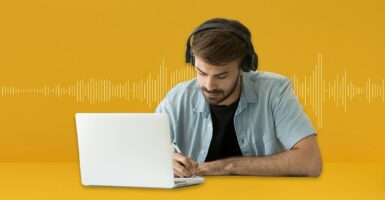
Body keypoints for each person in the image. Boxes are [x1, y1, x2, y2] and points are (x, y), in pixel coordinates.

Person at [155, 18, 322, 177]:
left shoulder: (275, 91)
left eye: (221, 76)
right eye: (202, 73)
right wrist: (163, 161)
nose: (209, 85)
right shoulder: (177, 98)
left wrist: (227, 166)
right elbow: (139, 154)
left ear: (244, 67)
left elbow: (310, 161)